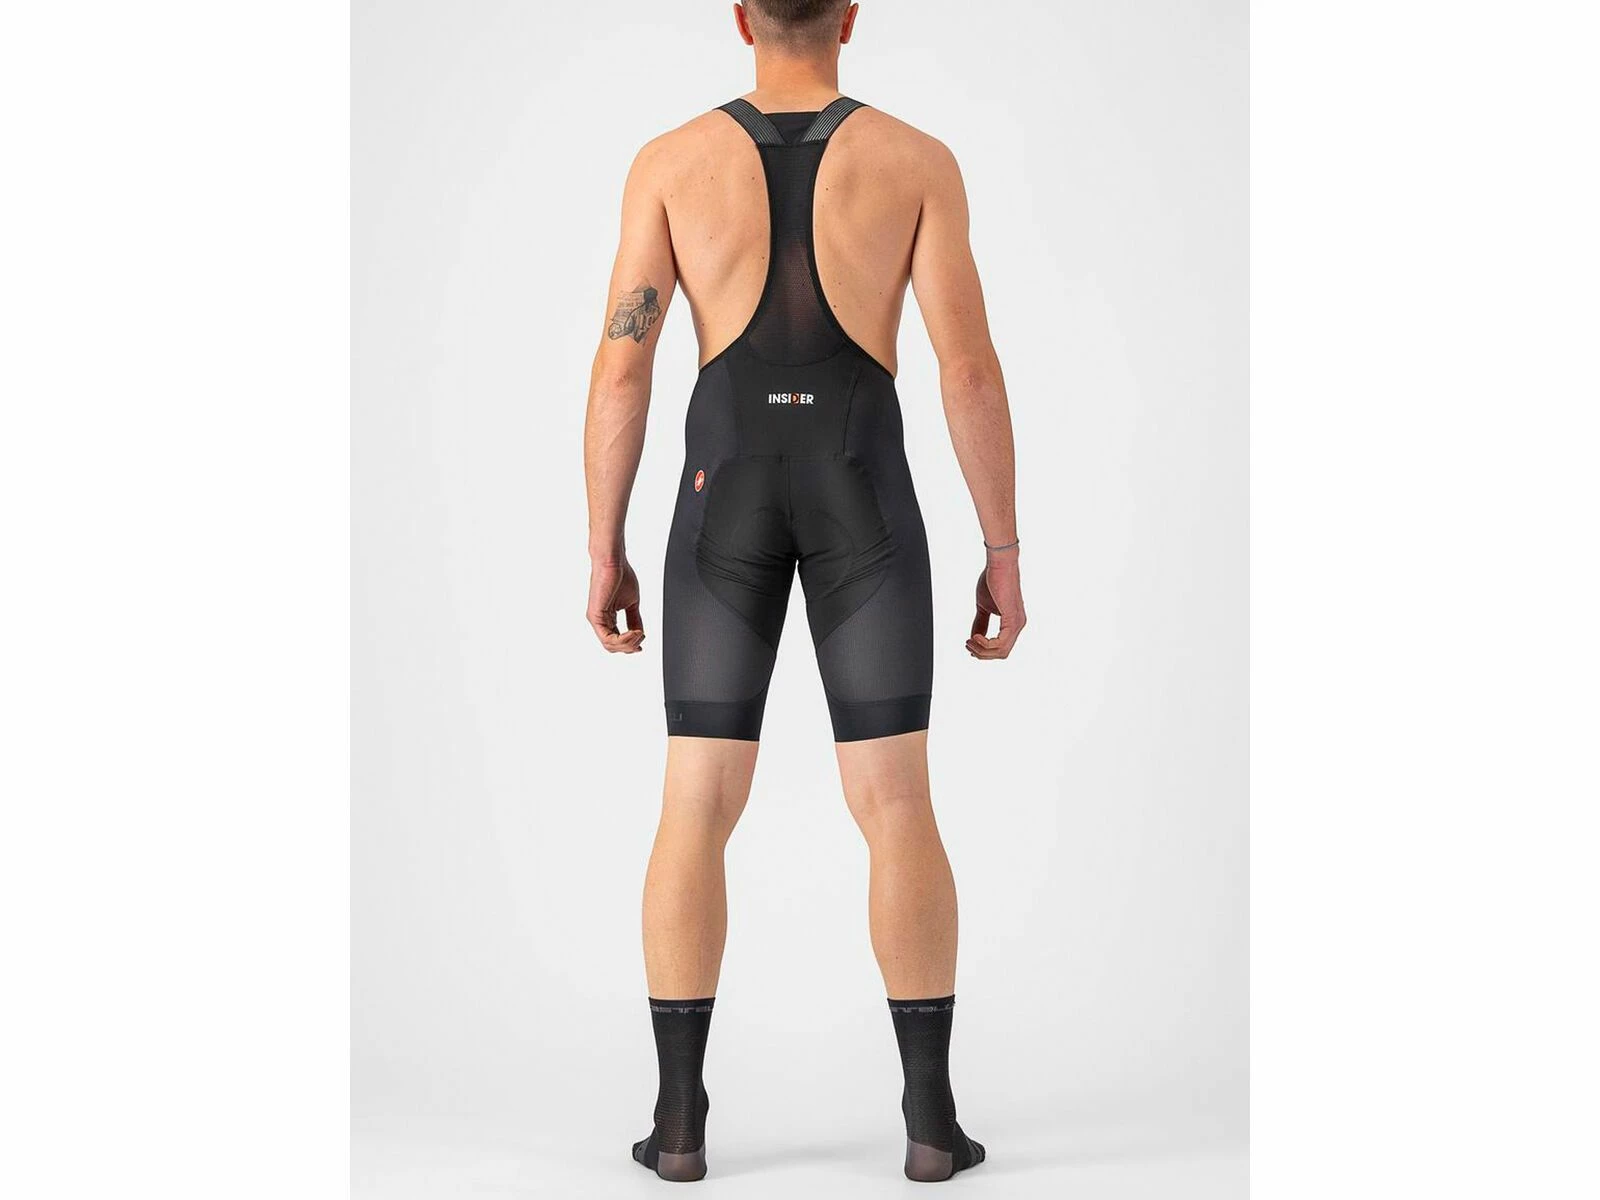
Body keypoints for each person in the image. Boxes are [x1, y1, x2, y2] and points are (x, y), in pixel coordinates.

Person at [582, 0, 1024, 1183]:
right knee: (896, 802)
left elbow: (623, 363)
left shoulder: (669, 164)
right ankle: (929, 1122)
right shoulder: (915, 162)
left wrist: (603, 546)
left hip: (720, 497)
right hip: (860, 498)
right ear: (850, 17)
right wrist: (1002, 550)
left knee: (694, 803)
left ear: (740, 18)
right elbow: (968, 369)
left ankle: (679, 1122)